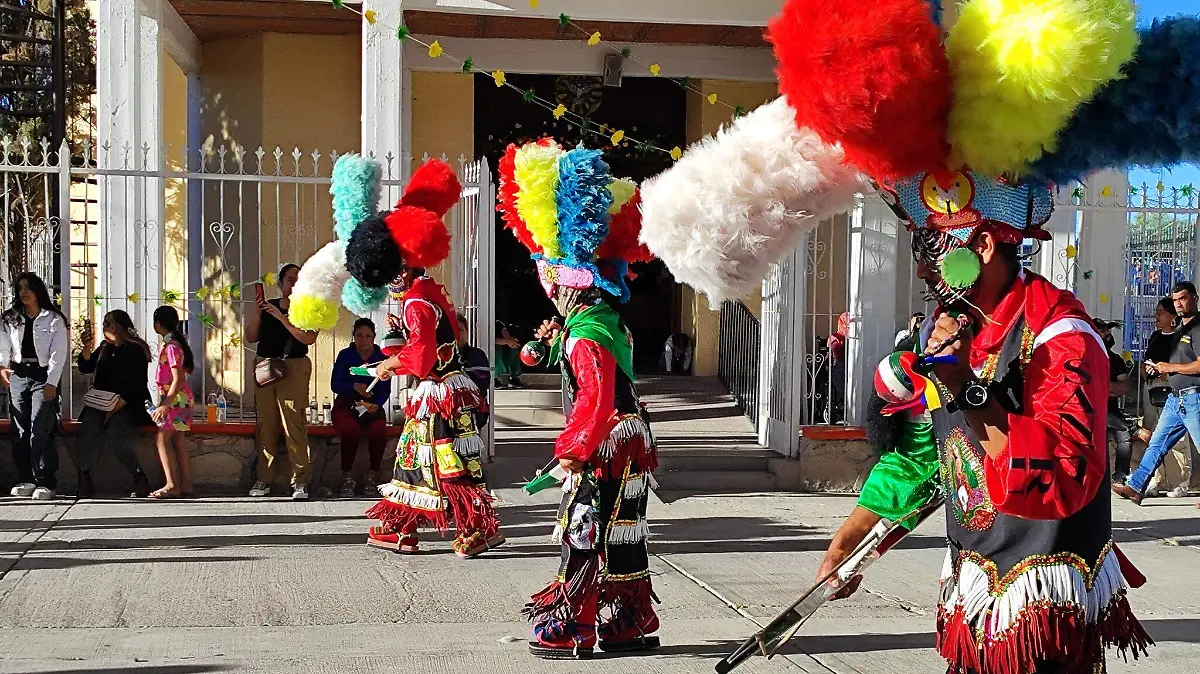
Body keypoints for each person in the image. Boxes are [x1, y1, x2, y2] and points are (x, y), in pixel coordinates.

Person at [497, 141, 660, 659]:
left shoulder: (585, 332)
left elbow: (596, 397)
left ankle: (576, 624)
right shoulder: (598, 322)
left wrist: (573, 449)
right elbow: (538, 359)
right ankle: (632, 617)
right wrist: (541, 344)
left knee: (584, 530)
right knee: (623, 532)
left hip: (604, 444)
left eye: (549, 279)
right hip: (628, 442)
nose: (547, 288)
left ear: (566, 282)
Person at [345, 158, 501, 558]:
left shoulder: (416, 302)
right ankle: (405, 528)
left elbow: (420, 356)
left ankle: (458, 527)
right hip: (447, 388)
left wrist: (386, 365)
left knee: (435, 461)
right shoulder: (429, 291)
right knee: (424, 460)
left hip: (437, 392)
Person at [1115, 281, 1200, 507]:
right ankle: (1136, 487)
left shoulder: (1199, 328)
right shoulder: (1180, 329)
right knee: (1157, 444)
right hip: (1175, 398)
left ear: (1194, 298)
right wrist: (1160, 370)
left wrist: (1169, 368)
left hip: (1194, 397)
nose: (1179, 303)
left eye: (1183, 298)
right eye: (1176, 300)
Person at [246, 263, 319, 500]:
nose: (294, 283)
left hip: (294, 368)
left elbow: (308, 338)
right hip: (266, 368)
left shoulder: (308, 308)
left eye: (298, 279)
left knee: (293, 423)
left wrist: (283, 319)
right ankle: (263, 478)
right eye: (290, 279)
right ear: (281, 282)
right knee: (266, 424)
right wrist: (259, 312)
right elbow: (251, 337)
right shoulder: (270, 307)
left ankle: (300, 479)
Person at [1, 273, 68, 500]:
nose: (24, 292)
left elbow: (59, 354)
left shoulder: (53, 319)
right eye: (20, 288)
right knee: (20, 429)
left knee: (39, 429)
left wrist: (52, 382)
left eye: (28, 288)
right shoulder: (10, 318)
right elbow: (4, 346)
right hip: (19, 374)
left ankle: (45, 480)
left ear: (38, 290)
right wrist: (2, 366)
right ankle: (25, 478)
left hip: (42, 376)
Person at [74, 310, 154, 498]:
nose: (104, 328)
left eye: (107, 324)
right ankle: (84, 477)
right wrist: (86, 348)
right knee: (88, 430)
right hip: (102, 403)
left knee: (115, 436)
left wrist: (115, 409)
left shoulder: (134, 349)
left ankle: (139, 477)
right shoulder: (104, 348)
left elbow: (136, 384)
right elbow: (85, 367)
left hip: (128, 404)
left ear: (116, 327)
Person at [1133, 297, 1188, 496]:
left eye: (1161, 312)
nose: (1157, 316)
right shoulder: (1156, 336)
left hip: (1172, 388)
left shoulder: (1182, 336)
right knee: (1153, 434)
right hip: (1152, 388)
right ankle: (1155, 479)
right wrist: (1145, 369)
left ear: (1173, 316)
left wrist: (1168, 371)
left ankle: (1178, 480)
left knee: (1176, 437)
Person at [330, 318, 390, 498]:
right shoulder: (345, 355)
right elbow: (335, 384)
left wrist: (376, 404)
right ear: (354, 336)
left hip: (371, 406)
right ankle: (346, 475)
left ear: (374, 337)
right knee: (350, 430)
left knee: (379, 431)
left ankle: (373, 474)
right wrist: (354, 387)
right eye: (359, 336)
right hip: (346, 405)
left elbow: (385, 388)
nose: (363, 340)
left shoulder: (381, 358)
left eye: (368, 336)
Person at [148, 306, 196, 499]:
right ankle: (185, 484)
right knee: (178, 440)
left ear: (158, 324)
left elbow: (178, 378)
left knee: (161, 439)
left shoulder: (171, 347)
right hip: (179, 399)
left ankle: (171, 484)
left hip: (176, 400)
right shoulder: (173, 344)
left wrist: (166, 403)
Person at [1094, 318, 1135, 486]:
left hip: (1110, 410)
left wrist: (1103, 386)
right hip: (1091, 409)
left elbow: (1124, 386)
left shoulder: (1115, 359)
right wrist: (1107, 388)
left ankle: (1120, 476)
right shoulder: (1086, 356)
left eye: (1108, 331)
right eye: (1103, 332)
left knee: (1124, 432)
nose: (1108, 335)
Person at [457, 314, 492, 424]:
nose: (457, 334)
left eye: (461, 330)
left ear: (467, 332)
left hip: (473, 411)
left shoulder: (477, 355)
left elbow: (481, 384)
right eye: (452, 330)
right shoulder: (438, 356)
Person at [494, 320, 524, 388]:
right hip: (487, 348)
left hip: (501, 346)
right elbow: (488, 339)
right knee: (496, 349)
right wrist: (506, 341)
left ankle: (513, 377)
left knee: (513, 348)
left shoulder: (498, 324)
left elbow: (506, 336)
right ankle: (493, 378)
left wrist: (511, 342)